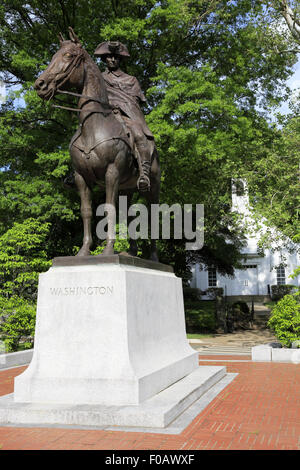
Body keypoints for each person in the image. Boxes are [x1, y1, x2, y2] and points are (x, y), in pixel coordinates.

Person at [94, 40, 154, 191]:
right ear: (104, 59)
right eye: (109, 56)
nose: (112, 59)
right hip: (105, 117)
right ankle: (77, 170)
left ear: (120, 59)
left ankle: (144, 174)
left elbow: (134, 101)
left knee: (139, 135)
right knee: (83, 132)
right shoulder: (98, 78)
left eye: (116, 57)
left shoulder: (131, 79)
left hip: (126, 116)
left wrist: (119, 106)